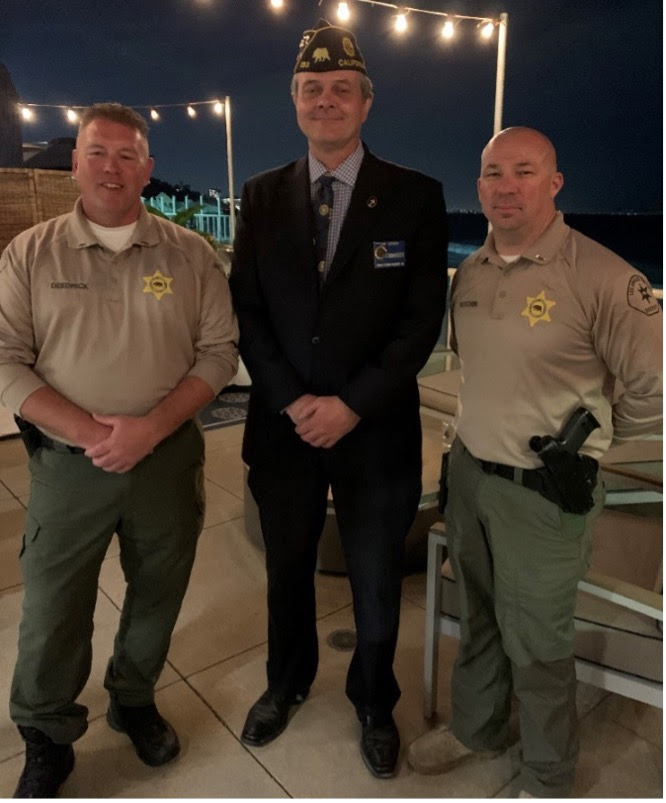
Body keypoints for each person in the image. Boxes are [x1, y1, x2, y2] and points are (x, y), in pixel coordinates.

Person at [406, 126, 662, 797]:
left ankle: (548, 775)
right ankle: (478, 726)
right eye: (493, 173)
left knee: (540, 641)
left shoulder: (603, 275)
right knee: (480, 614)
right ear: (480, 185)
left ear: (554, 184)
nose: (506, 186)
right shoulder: (472, 273)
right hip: (471, 476)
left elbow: (653, 388)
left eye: (524, 171)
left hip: (544, 497)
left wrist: (595, 445)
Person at [229, 19, 447, 779]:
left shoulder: (417, 197)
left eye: (341, 90)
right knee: (286, 569)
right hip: (283, 429)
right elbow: (246, 312)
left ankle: (372, 701)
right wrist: (293, 401)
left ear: (366, 102)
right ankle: (284, 682)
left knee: (377, 578)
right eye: (312, 90)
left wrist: (351, 404)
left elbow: (422, 319)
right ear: (295, 100)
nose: (327, 100)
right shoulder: (259, 197)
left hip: (377, 430)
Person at [0, 102, 238, 798]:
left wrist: (151, 428)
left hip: (166, 461)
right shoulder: (30, 254)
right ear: (74, 163)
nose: (111, 166)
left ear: (148, 169)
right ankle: (45, 730)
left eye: (127, 154)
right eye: (97, 152)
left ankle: (133, 697)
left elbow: (219, 354)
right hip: (70, 468)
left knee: (158, 590)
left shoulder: (190, 254)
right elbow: (6, 361)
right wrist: (91, 433)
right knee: (53, 605)